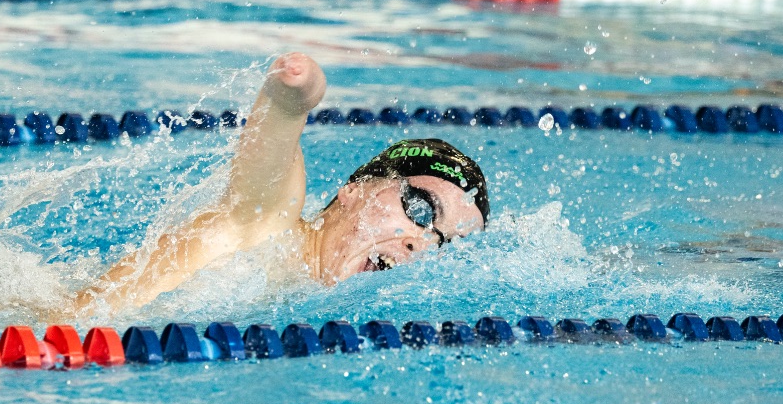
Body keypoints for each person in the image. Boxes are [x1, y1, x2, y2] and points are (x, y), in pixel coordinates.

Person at [73, 52, 489, 314]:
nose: (421, 243)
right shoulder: (268, 229)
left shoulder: (305, 300)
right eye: (420, 209)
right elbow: (269, 163)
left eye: (444, 243)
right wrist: (293, 100)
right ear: (355, 189)